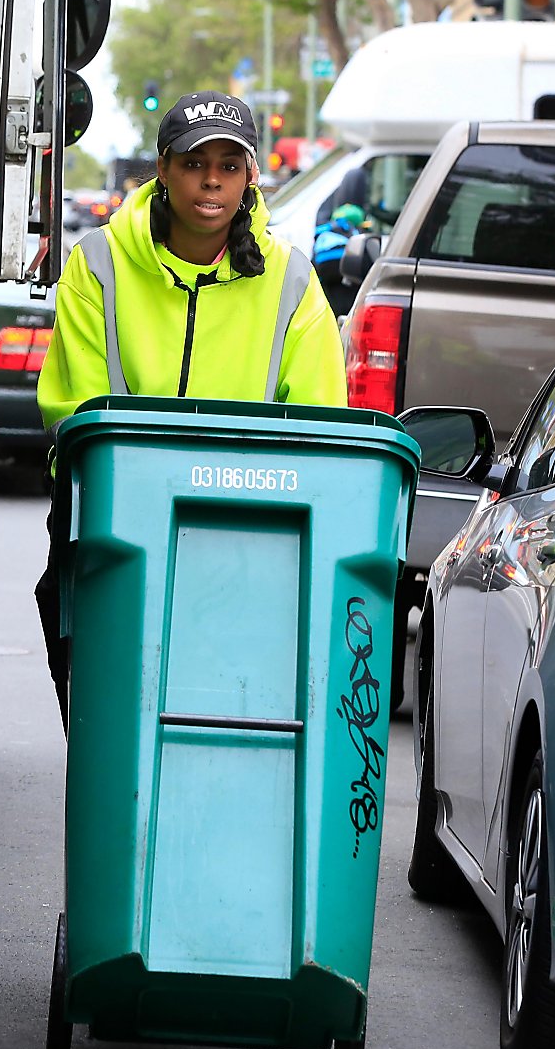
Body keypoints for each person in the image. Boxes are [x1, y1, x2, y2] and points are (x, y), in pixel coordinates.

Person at [33, 92, 349, 724]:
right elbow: (73, 408)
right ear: (162, 169)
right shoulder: (98, 262)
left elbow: (320, 420)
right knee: (112, 712)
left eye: (230, 165)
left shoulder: (290, 279)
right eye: (194, 162)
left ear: (251, 176)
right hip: (117, 525)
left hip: (249, 533)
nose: (212, 180)